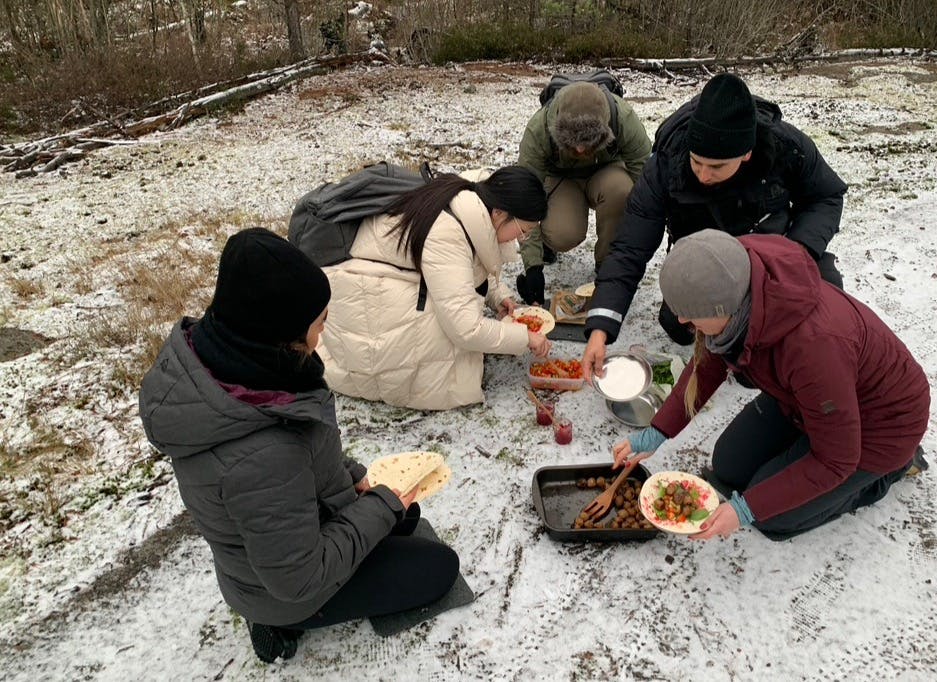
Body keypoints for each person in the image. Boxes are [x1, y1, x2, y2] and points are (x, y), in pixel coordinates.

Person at [139, 228, 460, 662]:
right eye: (320, 320)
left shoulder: (240, 362)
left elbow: (306, 443)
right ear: (284, 329)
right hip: (285, 590)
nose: (324, 331)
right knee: (439, 569)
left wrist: (354, 478)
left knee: (404, 515)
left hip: (291, 527)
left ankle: (376, 522)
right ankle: (275, 623)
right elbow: (298, 577)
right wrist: (381, 507)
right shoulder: (262, 454)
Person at [611, 230, 930, 540]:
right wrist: (658, 431)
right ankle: (803, 446)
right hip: (808, 402)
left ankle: (891, 471)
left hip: (880, 428)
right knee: (728, 468)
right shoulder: (737, 285)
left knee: (773, 515)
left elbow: (836, 459)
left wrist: (745, 510)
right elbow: (707, 364)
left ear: (722, 308)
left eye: (690, 315)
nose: (682, 322)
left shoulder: (814, 348)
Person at [582, 72, 848, 381]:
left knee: (819, 298)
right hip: (703, 268)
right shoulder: (668, 163)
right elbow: (630, 248)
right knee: (678, 325)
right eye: (697, 163)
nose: (704, 175)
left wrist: (796, 251)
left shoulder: (787, 147)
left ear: (746, 153)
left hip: (766, 262)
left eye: (717, 166)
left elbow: (827, 195)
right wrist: (600, 329)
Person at [318, 166, 551, 410]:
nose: (520, 239)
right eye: (523, 231)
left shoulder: (472, 200)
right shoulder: (447, 232)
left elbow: (469, 264)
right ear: (499, 213)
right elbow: (465, 329)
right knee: (444, 348)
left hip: (373, 285)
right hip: (362, 306)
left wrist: (497, 296)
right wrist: (524, 337)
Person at [515, 81, 652, 304]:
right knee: (563, 233)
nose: (579, 150)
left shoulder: (624, 118)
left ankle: (608, 261)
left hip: (607, 174)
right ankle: (549, 246)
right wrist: (533, 267)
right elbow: (524, 196)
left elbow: (646, 182)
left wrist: (633, 249)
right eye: (571, 141)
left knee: (623, 191)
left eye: (587, 141)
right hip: (561, 179)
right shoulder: (539, 129)